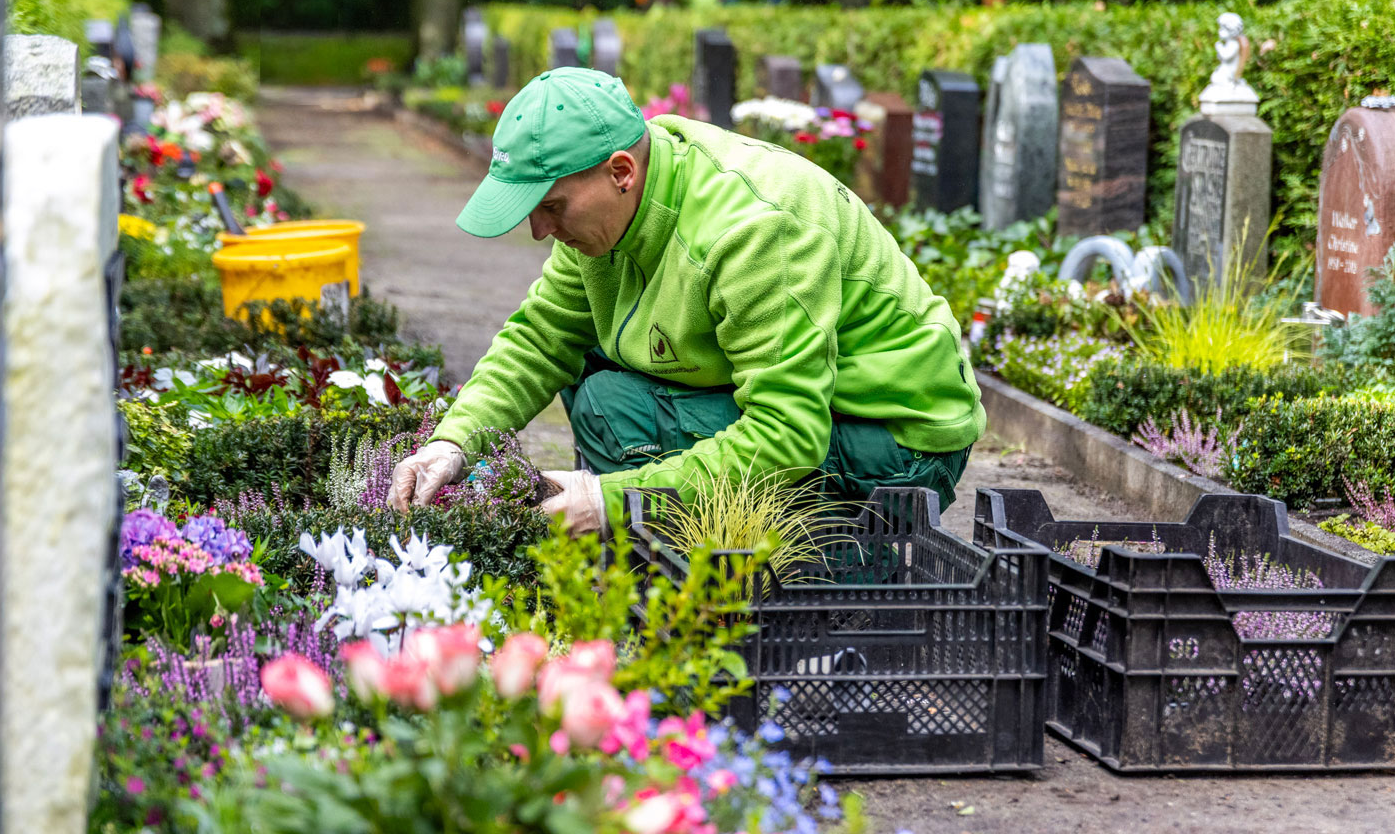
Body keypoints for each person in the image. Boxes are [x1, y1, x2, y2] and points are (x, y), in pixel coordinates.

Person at [388, 67, 985, 535]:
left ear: (620, 171)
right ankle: (666, 551)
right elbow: (542, 338)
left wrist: (613, 500)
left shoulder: (753, 231)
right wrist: (454, 441)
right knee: (599, 384)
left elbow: (787, 432)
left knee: (623, 415)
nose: (541, 231)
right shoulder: (614, 204)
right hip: (824, 410)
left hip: (894, 441)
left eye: (552, 206)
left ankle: (800, 567)